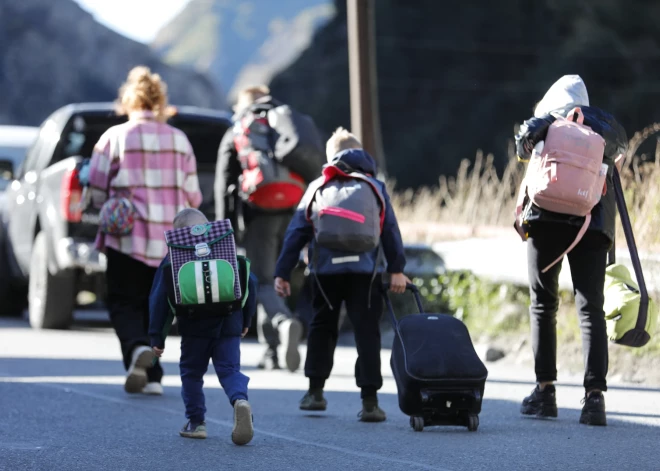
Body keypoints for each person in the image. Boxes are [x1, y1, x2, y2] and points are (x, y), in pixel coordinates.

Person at [273, 127, 409, 422]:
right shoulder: (375, 186)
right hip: (366, 272)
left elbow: (297, 231)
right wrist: (397, 269)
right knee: (367, 332)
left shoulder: (318, 186)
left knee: (322, 327)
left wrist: (282, 272)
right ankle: (370, 402)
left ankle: (315, 393)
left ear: (330, 157)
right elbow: (390, 231)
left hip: (325, 273)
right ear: (361, 155)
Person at [514, 75, 628, 426]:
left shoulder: (544, 123)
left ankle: (545, 392)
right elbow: (621, 151)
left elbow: (521, 146)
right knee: (590, 307)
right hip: (591, 225)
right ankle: (595, 399)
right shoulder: (604, 127)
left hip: (545, 220)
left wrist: (545, 123)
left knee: (543, 304)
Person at [88, 66, 203, 395]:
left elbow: (97, 187)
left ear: (128, 100)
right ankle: (153, 377)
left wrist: (105, 201)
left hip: (127, 235)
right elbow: (193, 195)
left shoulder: (115, 137)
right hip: (169, 240)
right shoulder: (179, 140)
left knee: (124, 301)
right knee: (159, 306)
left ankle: (138, 350)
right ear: (160, 100)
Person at [214, 85, 322, 372]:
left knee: (261, 280)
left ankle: (284, 324)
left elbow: (223, 180)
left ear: (243, 104)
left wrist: (226, 229)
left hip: (258, 213)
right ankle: (272, 351)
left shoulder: (240, 128)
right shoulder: (284, 124)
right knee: (279, 277)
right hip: (294, 211)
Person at [148, 208, 258, 444]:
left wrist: (157, 337)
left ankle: (196, 423)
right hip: (229, 323)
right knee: (230, 370)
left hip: (193, 327)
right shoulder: (225, 250)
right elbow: (251, 282)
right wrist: (246, 320)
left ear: (178, 235)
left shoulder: (173, 258)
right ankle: (240, 400)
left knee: (192, 374)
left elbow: (160, 299)